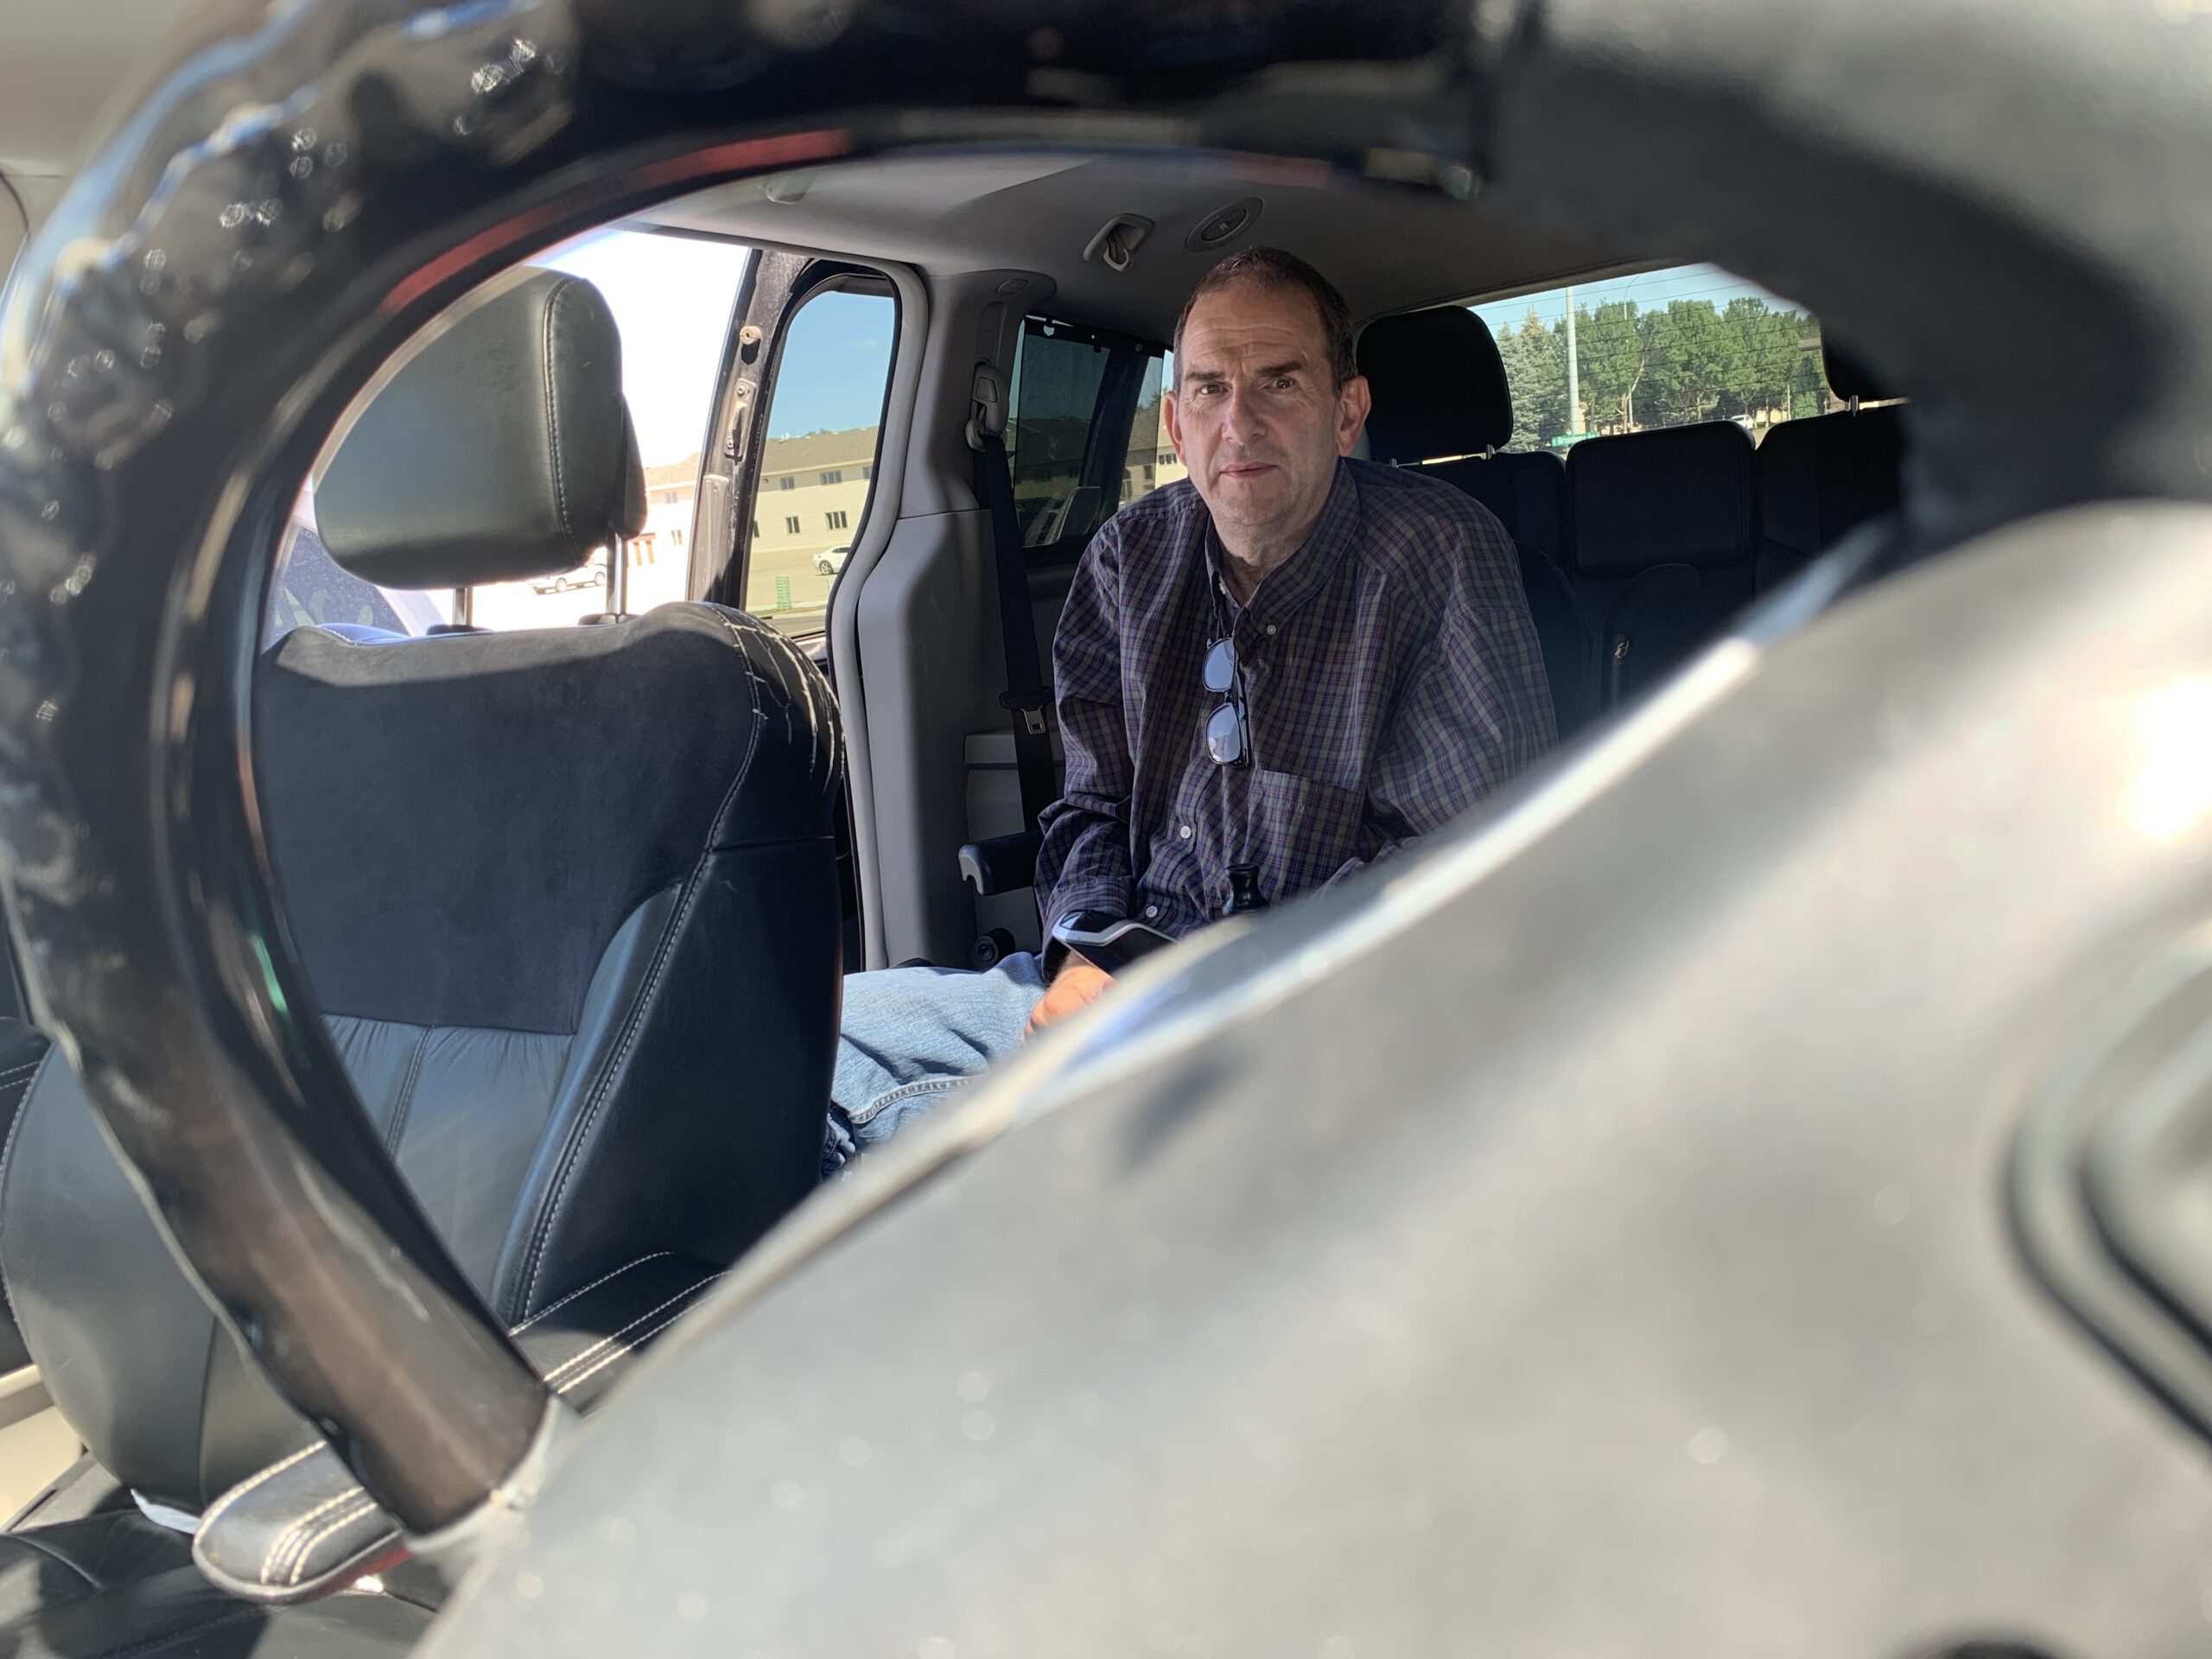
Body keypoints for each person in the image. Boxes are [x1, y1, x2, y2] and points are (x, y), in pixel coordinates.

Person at [825, 247, 1555, 1167]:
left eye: (1279, 382)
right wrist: (1081, 952)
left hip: (1336, 1006)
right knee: (811, 1045)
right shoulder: (1128, 558)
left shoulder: (1440, 553)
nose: (1237, 422)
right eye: (1208, 390)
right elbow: (1088, 808)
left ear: (1346, 412)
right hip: (1129, 979)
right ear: (1174, 422)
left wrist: (1238, 994)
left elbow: (1458, 855)